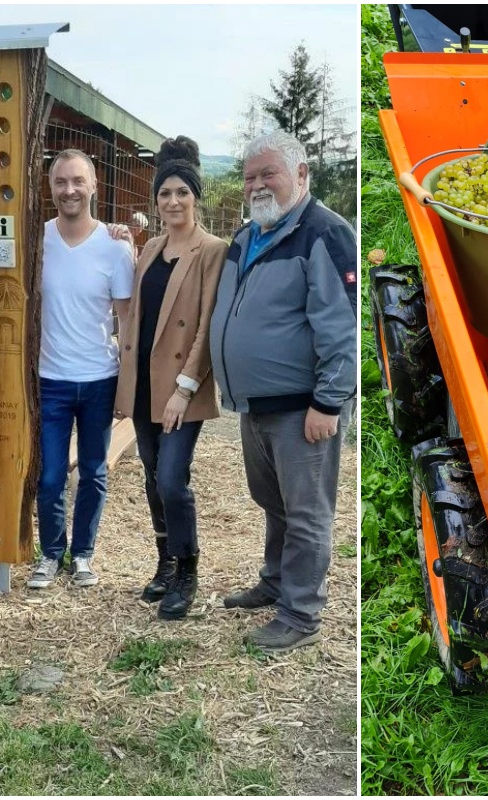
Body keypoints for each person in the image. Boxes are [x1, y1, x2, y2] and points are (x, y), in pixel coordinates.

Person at [209, 131, 357, 654]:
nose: (256, 185)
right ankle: (275, 582)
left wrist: (328, 401)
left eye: (268, 173)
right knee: (273, 501)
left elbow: (341, 328)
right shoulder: (249, 236)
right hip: (256, 406)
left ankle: (300, 612)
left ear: (301, 174)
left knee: (308, 511)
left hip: (302, 409)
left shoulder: (325, 234)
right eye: (250, 177)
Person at [113, 136, 228, 620]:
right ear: (156, 200)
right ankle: (163, 562)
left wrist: (185, 388)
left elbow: (205, 324)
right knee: (151, 478)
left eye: (182, 192)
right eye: (165, 193)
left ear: (196, 197)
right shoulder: (151, 248)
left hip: (181, 387)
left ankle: (188, 570)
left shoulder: (212, 251)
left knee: (172, 480)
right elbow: (138, 315)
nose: (173, 201)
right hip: (143, 383)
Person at [28, 149, 134, 589]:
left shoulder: (115, 247)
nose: (69, 190)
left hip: (98, 379)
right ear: (50, 188)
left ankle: (84, 554)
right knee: (50, 474)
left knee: (93, 470)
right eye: (60, 182)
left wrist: (128, 383)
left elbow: (127, 320)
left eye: (77, 181)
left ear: (94, 186)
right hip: (49, 379)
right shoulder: (37, 241)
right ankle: (51, 553)